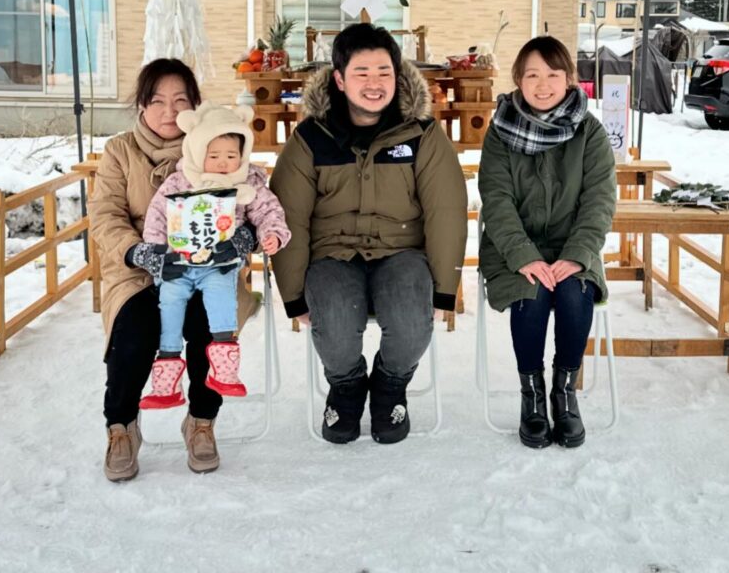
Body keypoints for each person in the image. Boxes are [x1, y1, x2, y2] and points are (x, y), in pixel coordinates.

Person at [271, 23, 467, 444]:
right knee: (337, 327)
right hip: (332, 256)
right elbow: (288, 216)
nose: (374, 83)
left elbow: (446, 210)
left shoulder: (421, 135)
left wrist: (445, 289)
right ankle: (346, 387)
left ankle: (390, 386)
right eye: (361, 72)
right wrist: (292, 295)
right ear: (339, 79)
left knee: (413, 325)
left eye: (384, 71)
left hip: (402, 254)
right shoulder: (310, 138)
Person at [89, 59, 257, 481]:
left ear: (193, 108)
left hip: (210, 269)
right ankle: (121, 428)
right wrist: (140, 253)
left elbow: (256, 203)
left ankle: (201, 422)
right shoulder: (120, 151)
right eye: (157, 101)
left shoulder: (218, 147)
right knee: (134, 332)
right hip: (141, 273)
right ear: (141, 106)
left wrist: (245, 239)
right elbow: (105, 216)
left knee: (209, 331)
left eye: (179, 100)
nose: (168, 112)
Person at [478, 36, 616, 450]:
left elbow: (600, 200)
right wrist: (524, 257)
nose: (543, 85)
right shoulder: (500, 132)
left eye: (553, 75)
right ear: (518, 80)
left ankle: (564, 392)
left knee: (575, 294)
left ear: (570, 80)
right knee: (531, 293)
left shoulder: (589, 132)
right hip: (512, 250)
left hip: (574, 249)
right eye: (532, 75)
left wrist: (577, 256)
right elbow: (496, 200)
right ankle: (532, 396)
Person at [138, 103, 290, 407]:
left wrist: (271, 234)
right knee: (169, 303)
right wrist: (156, 250)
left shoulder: (248, 183)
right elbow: (157, 214)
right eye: (214, 155)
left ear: (243, 155)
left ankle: (225, 367)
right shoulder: (181, 181)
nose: (223, 164)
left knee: (222, 299)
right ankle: (166, 375)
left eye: (232, 156)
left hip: (219, 264)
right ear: (197, 152)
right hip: (178, 262)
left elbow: (268, 211)